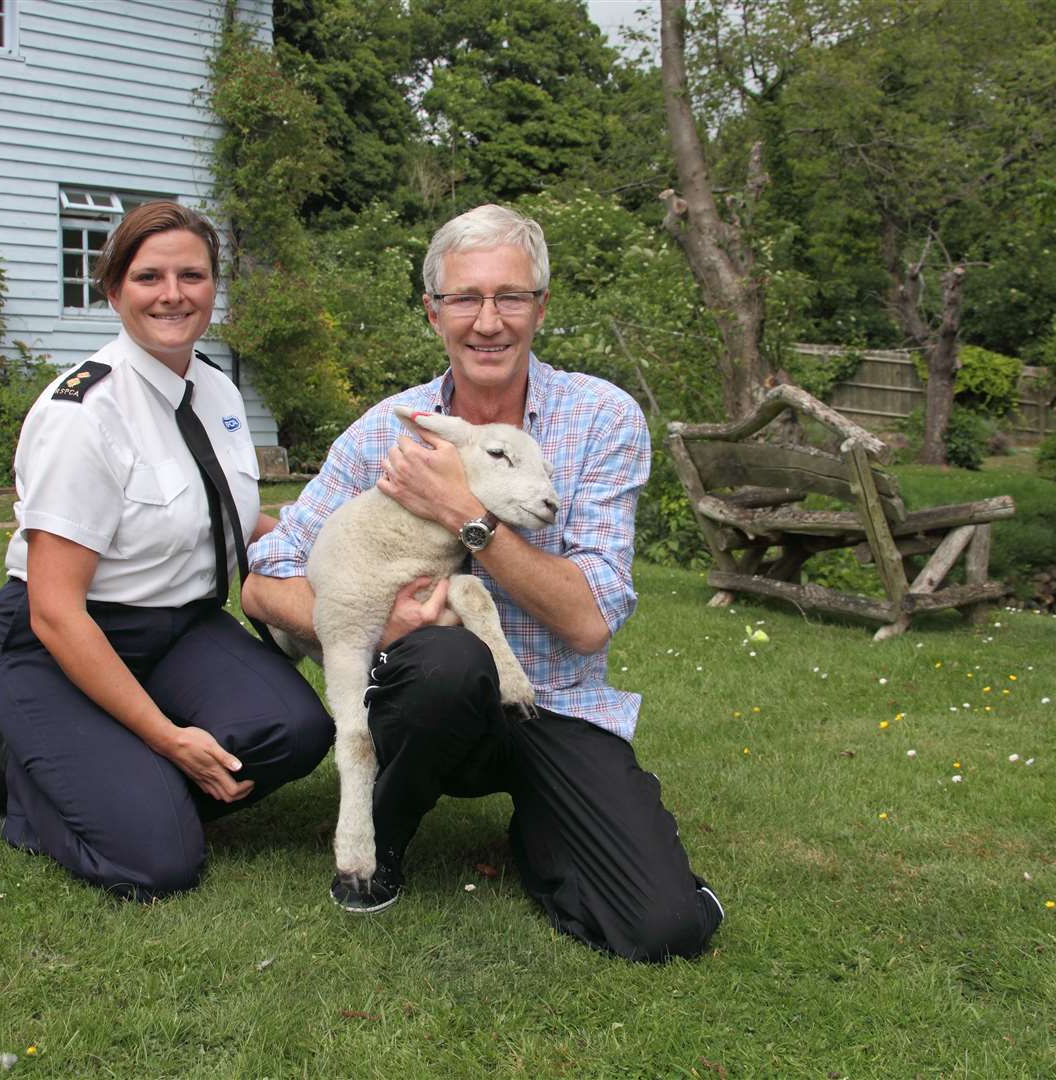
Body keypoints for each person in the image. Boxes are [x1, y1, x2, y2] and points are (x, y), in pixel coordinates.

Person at [242, 204, 723, 962]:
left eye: (511, 297)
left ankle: (546, 830)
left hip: (554, 703)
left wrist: (466, 516)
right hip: (424, 701)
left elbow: (591, 620)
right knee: (442, 661)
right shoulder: (386, 432)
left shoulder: (600, 418)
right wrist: (373, 621)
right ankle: (380, 835)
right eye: (464, 298)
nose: (488, 321)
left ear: (541, 307)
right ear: (433, 313)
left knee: (664, 928)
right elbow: (265, 578)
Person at [0, 201, 332, 900]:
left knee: (297, 730)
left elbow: (224, 511)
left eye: (191, 274)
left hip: (181, 626)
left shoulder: (215, 390)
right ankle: (13, 771)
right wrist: (165, 739)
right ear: (113, 290)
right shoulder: (82, 413)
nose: (172, 294)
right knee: (158, 863)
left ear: (213, 288)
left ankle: (124, 786)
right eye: (148, 276)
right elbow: (56, 611)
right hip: (66, 639)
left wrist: (318, 543)